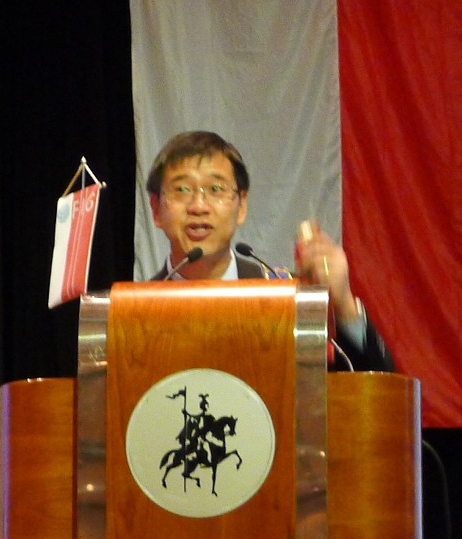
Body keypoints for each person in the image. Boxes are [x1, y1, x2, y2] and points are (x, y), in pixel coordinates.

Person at [146, 130, 393, 372]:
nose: (199, 206)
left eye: (216, 189)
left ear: (242, 206)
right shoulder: (137, 314)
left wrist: (344, 306)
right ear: (156, 210)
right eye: (181, 190)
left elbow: (374, 385)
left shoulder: (286, 300)